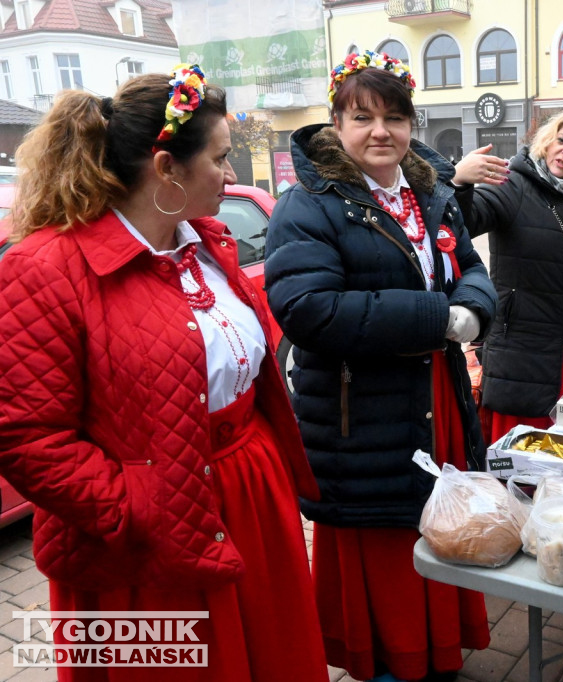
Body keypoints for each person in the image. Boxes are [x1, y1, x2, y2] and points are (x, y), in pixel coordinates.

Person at [0, 66, 328, 681]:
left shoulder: (208, 244)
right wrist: (141, 507)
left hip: (250, 498)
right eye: (221, 158)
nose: (232, 176)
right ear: (166, 167)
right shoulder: (44, 268)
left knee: (271, 656)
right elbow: (26, 436)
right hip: (144, 540)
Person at [263, 51, 497, 682]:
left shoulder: (428, 193)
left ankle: (438, 651)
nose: (380, 132)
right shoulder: (308, 204)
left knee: (439, 522)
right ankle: (392, 662)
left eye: (394, 117)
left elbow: (470, 269)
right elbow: (306, 308)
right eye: (362, 117)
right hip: (361, 412)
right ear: (336, 122)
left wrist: (471, 311)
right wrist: (433, 320)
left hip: (434, 395)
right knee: (389, 539)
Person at [452, 107, 563, 441]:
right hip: (521, 347)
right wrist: (460, 182)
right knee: (520, 450)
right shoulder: (511, 185)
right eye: (562, 141)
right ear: (547, 141)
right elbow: (465, 223)